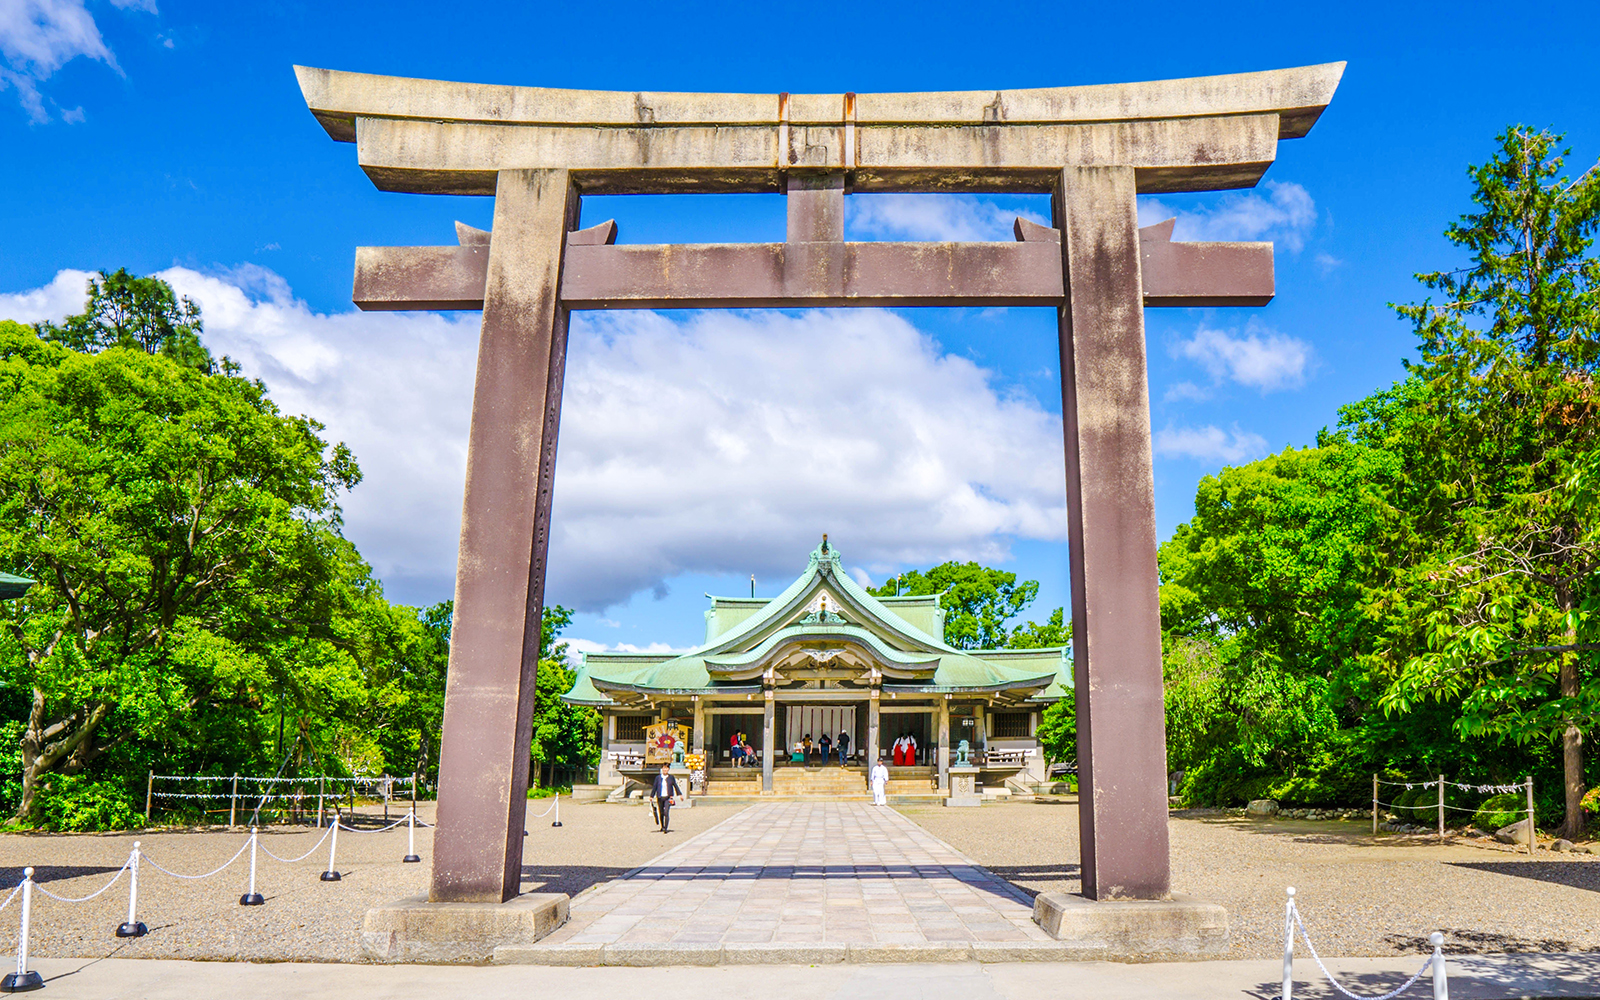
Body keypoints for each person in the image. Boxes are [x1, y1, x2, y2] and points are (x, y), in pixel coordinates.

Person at [650, 764, 681, 834]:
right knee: (661, 812)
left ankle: (666, 828)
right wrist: (651, 796)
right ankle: (662, 826)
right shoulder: (658, 778)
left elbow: (675, 786)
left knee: (666, 812)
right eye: (664, 768)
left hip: (668, 797)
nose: (665, 770)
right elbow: (654, 787)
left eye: (666, 768)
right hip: (660, 797)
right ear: (662, 769)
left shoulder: (671, 777)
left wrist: (679, 794)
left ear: (668, 769)